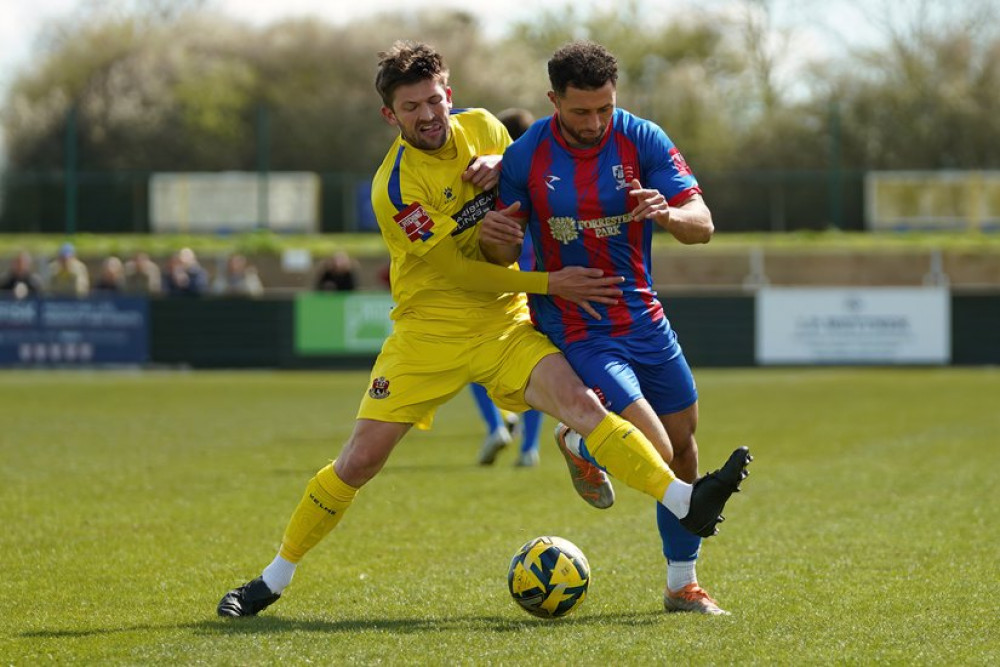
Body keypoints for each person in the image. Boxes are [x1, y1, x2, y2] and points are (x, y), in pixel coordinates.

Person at [216, 41, 750, 618]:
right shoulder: (394, 187)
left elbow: (519, 195)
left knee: (583, 407)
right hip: (429, 333)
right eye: (411, 106)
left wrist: (505, 175)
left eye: (434, 99)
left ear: (449, 93)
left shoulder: (489, 131)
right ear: (389, 115)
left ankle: (677, 501)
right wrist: (548, 282)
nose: (427, 114)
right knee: (359, 462)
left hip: (504, 325)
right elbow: (458, 272)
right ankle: (273, 578)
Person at [480, 41, 739, 615]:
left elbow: (704, 226)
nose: (595, 123)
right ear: (553, 101)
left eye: (604, 108)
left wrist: (669, 214)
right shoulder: (525, 158)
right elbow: (497, 256)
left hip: (644, 317)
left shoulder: (642, 138)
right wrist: (493, 242)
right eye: (580, 112)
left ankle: (682, 585)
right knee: (655, 443)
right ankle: (583, 434)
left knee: (685, 452)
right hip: (578, 325)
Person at [473, 107, 543, 468]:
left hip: (498, 282)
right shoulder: (542, 176)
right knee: (539, 367)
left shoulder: (488, 177)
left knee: (473, 362)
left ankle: (496, 424)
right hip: (539, 282)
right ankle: (530, 448)